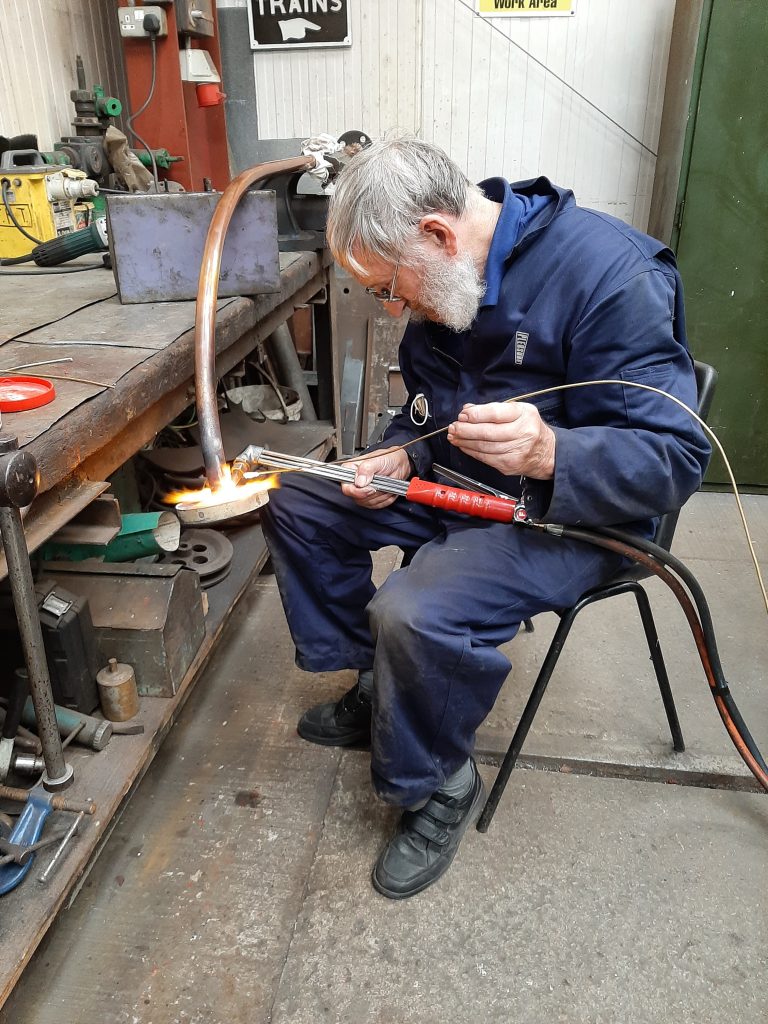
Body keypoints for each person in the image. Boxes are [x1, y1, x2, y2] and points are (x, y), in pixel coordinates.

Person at [260, 136, 710, 900]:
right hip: (453, 484)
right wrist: (400, 453)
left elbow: (673, 459)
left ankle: (437, 780)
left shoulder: (612, 276)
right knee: (303, 498)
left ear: (437, 234)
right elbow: (424, 409)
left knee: (413, 609)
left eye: (391, 291)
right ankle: (381, 683)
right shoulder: (446, 279)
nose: (392, 308)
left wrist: (551, 452)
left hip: (571, 515)